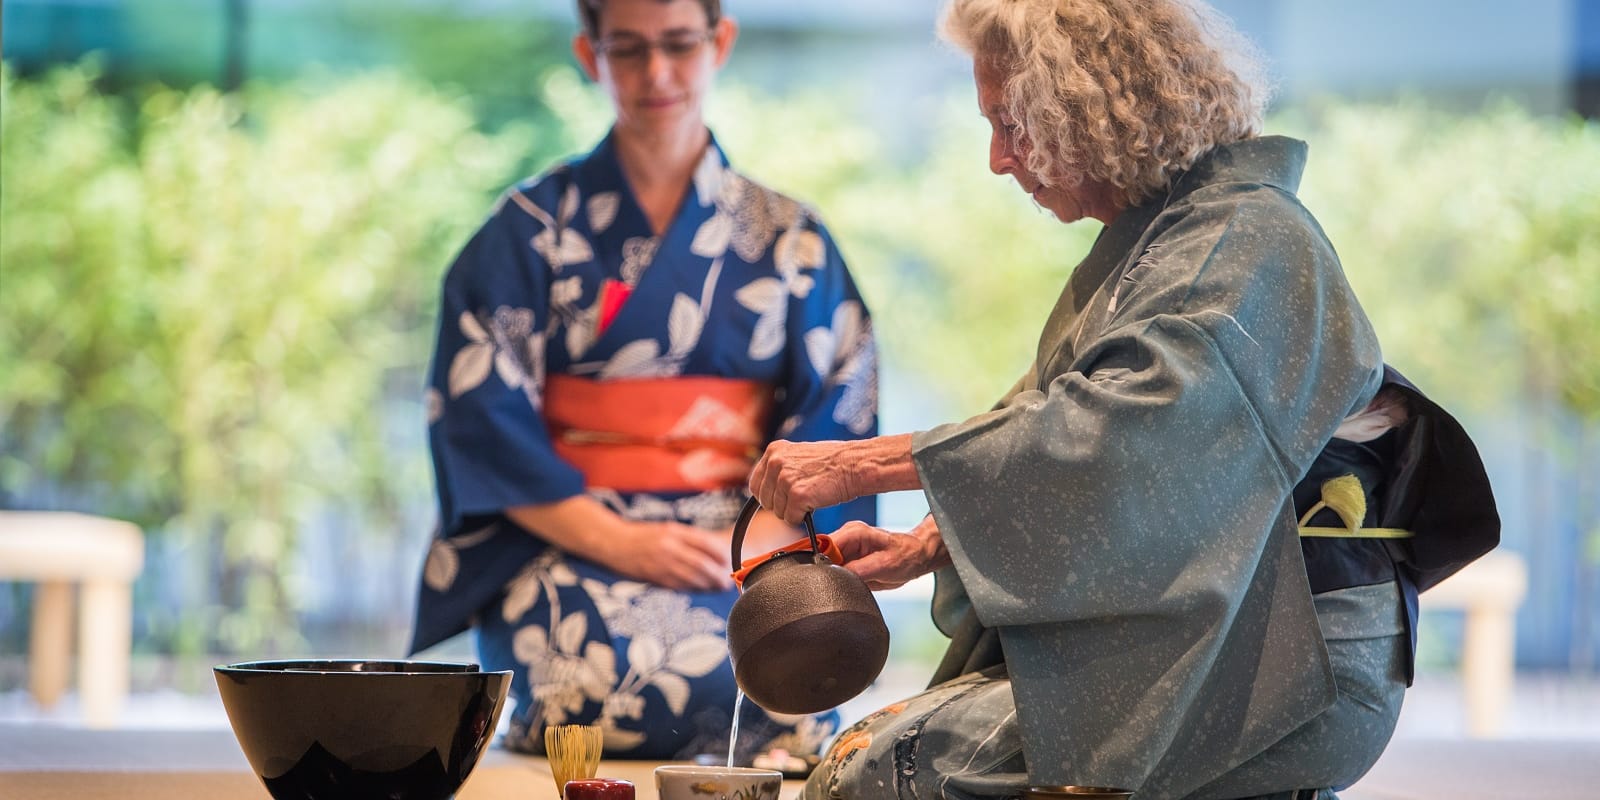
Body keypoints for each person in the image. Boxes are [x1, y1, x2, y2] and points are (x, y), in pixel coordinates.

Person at [747, 1, 1498, 798]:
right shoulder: (1168, 242)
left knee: (874, 773)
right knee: (863, 753)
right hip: (1217, 636)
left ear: (1089, 111)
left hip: (1287, 658)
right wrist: (933, 543)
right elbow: (1052, 433)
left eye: (1011, 123)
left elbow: (1123, 443)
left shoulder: (1252, 239)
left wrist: (859, 463)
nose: (999, 160)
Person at [408, 0, 878, 762]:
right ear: (590, 56)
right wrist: (619, 541)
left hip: (740, 544)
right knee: (576, 681)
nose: (655, 73)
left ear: (719, 42)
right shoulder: (528, 230)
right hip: (568, 540)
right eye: (626, 49)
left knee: (788, 671)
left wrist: (761, 554)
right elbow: (481, 414)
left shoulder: (791, 240)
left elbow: (839, 406)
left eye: (678, 44)